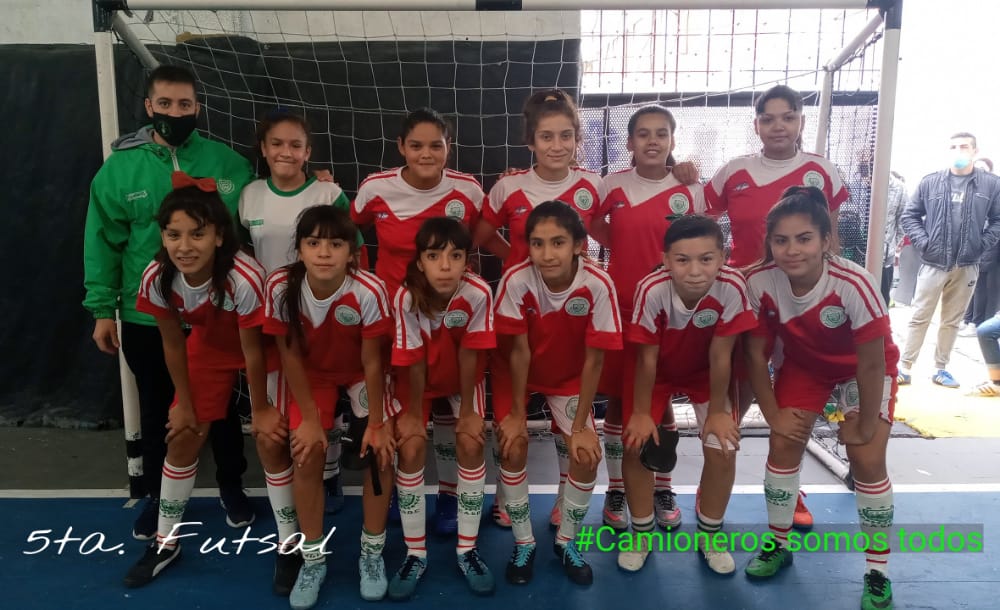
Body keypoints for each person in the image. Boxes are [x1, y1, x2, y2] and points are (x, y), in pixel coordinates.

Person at [84, 65, 254, 540]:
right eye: (165, 104)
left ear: (197, 107)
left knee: (220, 407)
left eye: (184, 104)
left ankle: (232, 485)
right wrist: (102, 308)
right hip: (147, 314)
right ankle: (160, 498)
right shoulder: (120, 169)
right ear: (148, 107)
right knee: (160, 406)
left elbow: (262, 213)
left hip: (215, 312)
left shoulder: (227, 164)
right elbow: (102, 240)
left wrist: (313, 182)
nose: (174, 113)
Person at [743, 186, 897, 610]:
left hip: (861, 370)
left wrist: (865, 424)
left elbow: (871, 364)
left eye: (804, 238)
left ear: (826, 240)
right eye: (781, 240)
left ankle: (878, 572)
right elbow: (755, 355)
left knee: (866, 457)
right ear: (770, 242)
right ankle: (778, 544)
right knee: (783, 442)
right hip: (806, 367)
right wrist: (772, 414)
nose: (792, 250)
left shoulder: (854, 283)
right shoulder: (760, 281)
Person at [353, 108, 505, 536]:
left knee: (455, 415)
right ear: (400, 147)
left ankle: (451, 495)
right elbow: (348, 229)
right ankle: (403, 494)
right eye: (416, 145)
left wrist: (521, 263)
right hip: (395, 319)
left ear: (448, 148)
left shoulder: (468, 189)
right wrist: (359, 278)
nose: (426, 153)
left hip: (454, 320)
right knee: (407, 418)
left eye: (436, 145)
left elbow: (486, 234)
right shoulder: (375, 188)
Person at [706, 83, 846, 528]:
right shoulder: (734, 171)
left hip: (803, 306)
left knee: (793, 399)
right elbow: (696, 219)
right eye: (768, 118)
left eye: (788, 117)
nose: (778, 126)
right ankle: (713, 495)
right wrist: (680, 171)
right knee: (736, 398)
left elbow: (831, 237)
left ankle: (790, 487)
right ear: (757, 125)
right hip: (748, 303)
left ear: (801, 121)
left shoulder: (822, 171)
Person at [123, 174, 268, 588]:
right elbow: (173, 342)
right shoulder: (157, 275)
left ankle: (293, 542)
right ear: (163, 236)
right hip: (208, 347)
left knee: (273, 440)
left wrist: (261, 410)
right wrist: (185, 404)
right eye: (174, 235)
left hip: (265, 347)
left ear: (219, 236)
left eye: (197, 234)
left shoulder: (244, 277)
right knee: (183, 435)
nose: (184, 246)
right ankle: (166, 542)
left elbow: (255, 351)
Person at [474, 89, 605, 529]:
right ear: (530, 141)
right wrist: (517, 257)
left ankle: (565, 501)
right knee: (510, 429)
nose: (557, 145)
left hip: (567, 329)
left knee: (574, 435)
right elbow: (480, 235)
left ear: (577, 139)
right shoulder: (508, 186)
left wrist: (679, 172)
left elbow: (615, 227)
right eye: (546, 136)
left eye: (566, 135)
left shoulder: (593, 185)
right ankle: (507, 497)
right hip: (518, 320)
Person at [262, 205, 395, 607]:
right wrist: (308, 420)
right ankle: (313, 559)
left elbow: (373, 362)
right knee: (306, 454)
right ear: (299, 249)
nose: (323, 252)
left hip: (359, 374)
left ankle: (371, 554)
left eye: (335, 244)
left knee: (381, 454)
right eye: (313, 242)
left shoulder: (369, 290)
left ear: (352, 252)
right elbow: (289, 356)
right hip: (311, 377)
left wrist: (377, 423)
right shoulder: (280, 287)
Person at [589, 104, 707, 533]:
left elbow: (703, 243)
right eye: (643, 133)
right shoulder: (612, 184)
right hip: (622, 308)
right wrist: (619, 241)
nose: (653, 140)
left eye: (661, 133)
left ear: (673, 141)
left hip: (673, 311)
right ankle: (617, 488)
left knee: (662, 397)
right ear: (629, 142)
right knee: (622, 400)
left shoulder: (689, 188)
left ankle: (662, 486)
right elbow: (588, 220)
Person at [240, 109, 364, 515]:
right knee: (287, 408)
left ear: (308, 152)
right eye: (277, 143)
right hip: (273, 318)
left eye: (296, 145)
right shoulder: (249, 195)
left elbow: (355, 252)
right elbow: (239, 254)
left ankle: (329, 474)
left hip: (326, 315)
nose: (286, 152)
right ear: (263, 148)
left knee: (326, 397)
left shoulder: (328, 194)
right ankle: (294, 491)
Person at [494, 201, 623, 586]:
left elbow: (594, 360)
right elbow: (518, 352)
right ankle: (524, 543)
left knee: (586, 455)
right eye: (537, 243)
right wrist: (516, 414)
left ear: (579, 245)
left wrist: (581, 426)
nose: (547, 254)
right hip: (517, 373)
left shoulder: (598, 284)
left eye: (557, 242)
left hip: (568, 377)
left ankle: (566, 541)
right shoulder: (516, 280)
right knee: (512, 446)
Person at [620, 214, 755, 575]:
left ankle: (710, 535)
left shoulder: (733, 286)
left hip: (706, 373)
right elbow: (647, 359)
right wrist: (642, 413)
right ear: (666, 260)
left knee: (723, 446)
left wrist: (718, 413)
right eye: (683, 260)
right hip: (656, 373)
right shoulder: (651, 289)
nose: (695, 271)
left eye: (706, 259)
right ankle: (641, 534)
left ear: (722, 257)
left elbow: (721, 354)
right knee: (634, 444)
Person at [387, 217, 497, 599]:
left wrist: (468, 412)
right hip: (417, 379)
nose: (445, 266)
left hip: (461, 378)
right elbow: (414, 362)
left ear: (467, 260)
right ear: (420, 261)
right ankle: (415, 554)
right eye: (434, 256)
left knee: (470, 441)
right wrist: (413, 417)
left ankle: (467, 550)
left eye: (455, 256)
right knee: (410, 447)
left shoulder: (478, 293)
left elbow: (471, 354)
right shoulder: (405, 297)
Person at [898, 133, 1000, 387]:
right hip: (933, 263)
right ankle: (905, 367)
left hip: (967, 264)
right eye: (953, 147)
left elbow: (998, 220)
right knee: (920, 316)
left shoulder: (991, 184)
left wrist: (980, 245)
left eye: (964, 146)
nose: (958, 151)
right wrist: (925, 243)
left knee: (952, 321)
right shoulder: (930, 182)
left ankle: (940, 368)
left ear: (975, 151)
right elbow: (909, 216)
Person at [960, 158, 1000, 336]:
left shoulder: (994, 189)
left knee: (988, 288)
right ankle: (968, 319)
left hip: (992, 245)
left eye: (983, 168)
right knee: (973, 284)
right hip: (975, 244)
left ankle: (979, 323)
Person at [880, 171, 908, 306]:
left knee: (881, 302)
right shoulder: (855, 182)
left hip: (884, 258)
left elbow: (903, 222)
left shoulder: (898, 188)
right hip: (854, 254)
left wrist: (895, 249)